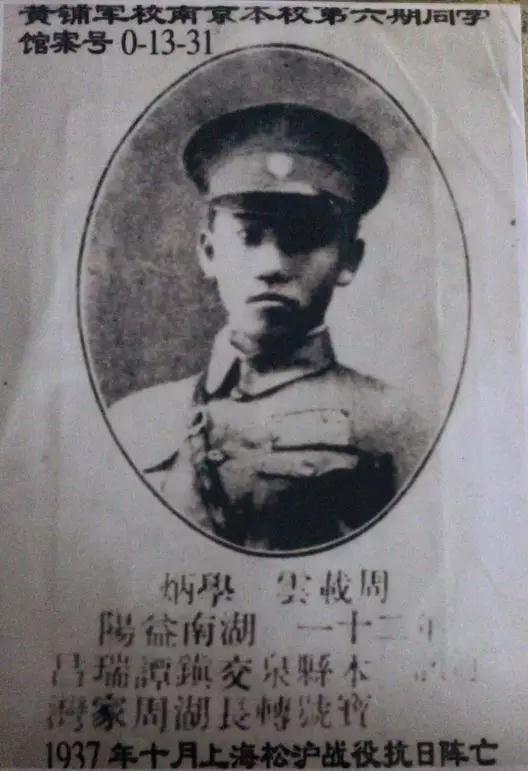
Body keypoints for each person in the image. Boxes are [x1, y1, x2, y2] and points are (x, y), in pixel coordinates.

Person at [110, 102, 428, 552]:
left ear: (349, 260)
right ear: (208, 252)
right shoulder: (132, 421)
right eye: (249, 236)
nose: (272, 265)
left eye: (303, 239)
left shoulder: (399, 425)